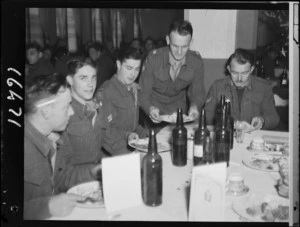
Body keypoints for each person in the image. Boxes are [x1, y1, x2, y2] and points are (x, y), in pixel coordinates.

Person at [24, 73, 102, 219]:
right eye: (66, 107)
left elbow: (62, 176)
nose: (72, 112)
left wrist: (95, 171)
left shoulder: (54, 137)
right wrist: (46, 207)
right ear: (45, 112)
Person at [139, 19, 206, 128]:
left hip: (179, 112)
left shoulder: (196, 62)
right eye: (175, 46)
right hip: (155, 110)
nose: (179, 52)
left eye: (184, 46)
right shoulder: (153, 59)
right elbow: (143, 93)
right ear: (168, 40)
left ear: (191, 43)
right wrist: (150, 109)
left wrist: (194, 107)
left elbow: (198, 93)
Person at [204, 48, 280, 130]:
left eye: (244, 73)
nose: (239, 78)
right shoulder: (217, 87)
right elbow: (207, 116)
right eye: (235, 73)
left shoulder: (263, 87)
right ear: (229, 69)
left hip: (254, 136)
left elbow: (274, 118)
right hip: (227, 134)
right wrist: (227, 122)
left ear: (251, 69)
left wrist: (262, 121)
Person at [94, 47, 148, 156]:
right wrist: (129, 154)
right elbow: (104, 133)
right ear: (118, 65)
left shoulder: (131, 89)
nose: (133, 74)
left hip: (130, 148)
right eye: (129, 68)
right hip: (112, 155)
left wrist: (146, 135)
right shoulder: (106, 92)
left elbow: (133, 124)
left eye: (137, 69)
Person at [65, 58, 108, 171]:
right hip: (76, 180)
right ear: (70, 80)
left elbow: (107, 137)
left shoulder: (95, 105)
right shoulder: (64, 113)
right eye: (83, 78)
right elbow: (61, 168)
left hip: (98, 168)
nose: (90, 85)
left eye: (93, 78)